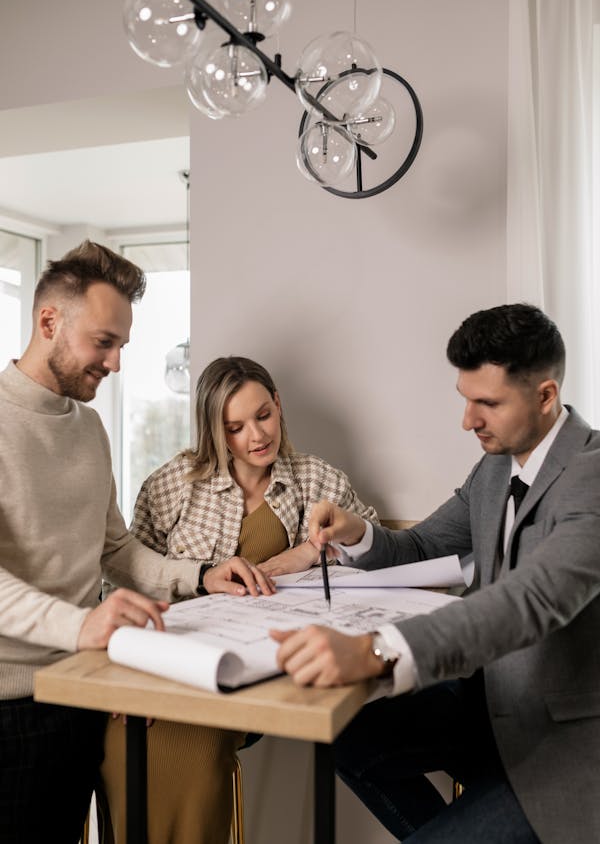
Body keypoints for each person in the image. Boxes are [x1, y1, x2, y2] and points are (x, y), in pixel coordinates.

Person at [272, 303, 600, 844]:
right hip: (486, 710)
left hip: (560, 745)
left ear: (545, 395)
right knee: (342, 736)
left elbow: (529, 599)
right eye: (465, 399)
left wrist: (376, 651)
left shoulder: (593, 473)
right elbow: (424, 544)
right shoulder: (495, 466)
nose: (467, 420)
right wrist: (360, 533)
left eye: (486, 403)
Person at [101, 355, 378, 844]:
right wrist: (130, 667)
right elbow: (124, 579)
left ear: (278, 404)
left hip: (247, 675)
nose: (256, 436)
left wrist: (303, 555)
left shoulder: (318, 481)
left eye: (263, 415)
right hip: (164, 662)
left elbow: (375, 557)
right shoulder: (174, 484)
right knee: (124, 745)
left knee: (199, 749)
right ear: (214, 431)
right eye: (235, 426)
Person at [0, 241, 220, 844]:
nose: (117, 363)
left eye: (122, 345)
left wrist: (200, 575)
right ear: (49, 321)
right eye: (104, 342)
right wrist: (83, 628)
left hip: (83, 682)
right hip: (12, 705)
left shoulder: (89, 426)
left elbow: (114, 550)